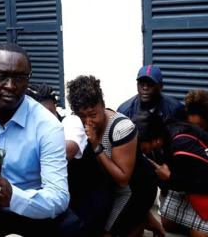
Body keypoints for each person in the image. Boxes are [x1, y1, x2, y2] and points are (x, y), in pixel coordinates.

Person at [0, 43, 74, 237]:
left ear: (28, 79)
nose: (10, 86)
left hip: (24, 215)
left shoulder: (48, 126)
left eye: (19, 78)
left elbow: (59, 197)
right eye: (1, 76)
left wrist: (14, 197)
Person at [133, 111, 208, 237]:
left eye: (142, 148)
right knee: (168, 222)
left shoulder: (182, 145)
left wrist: (171, 178)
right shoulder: (158, 141)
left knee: (200, 235)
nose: (140, 151)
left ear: (156, 140)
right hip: (190, 173)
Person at [66, 75, 158, 237]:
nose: (88, 121)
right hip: (109, 187)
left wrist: (96, 146)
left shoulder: (121, 128)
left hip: (134, 188)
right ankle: (142, 220)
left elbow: (123, 179)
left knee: (109, 232)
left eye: (93, 114)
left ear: (103, 105)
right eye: (82, 116)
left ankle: (141, 219)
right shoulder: (77, 124)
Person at [117, 64, 185, 120]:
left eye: (150, 84)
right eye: (141, 84)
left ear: (161, 87)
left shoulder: (175, 109)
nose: (145, 88)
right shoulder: (125, 111)